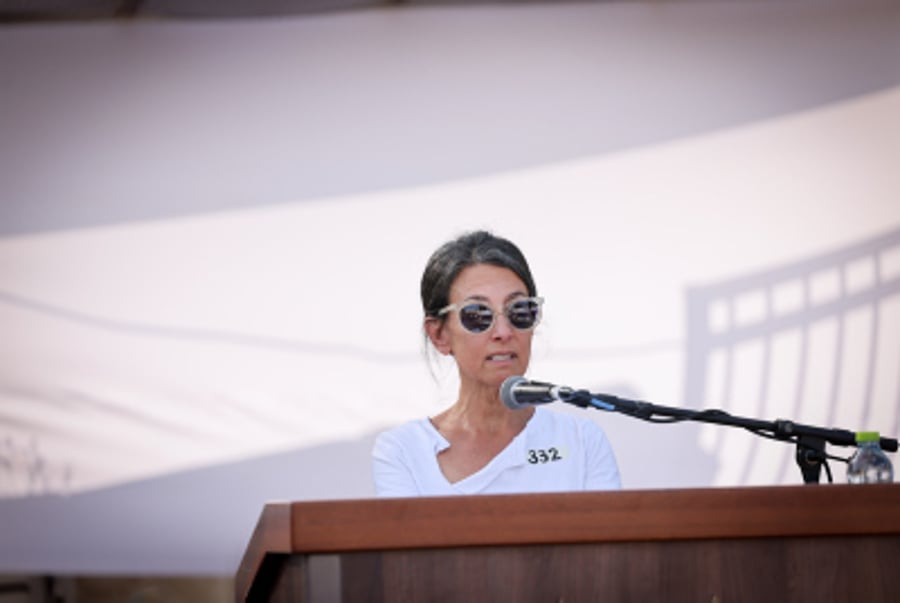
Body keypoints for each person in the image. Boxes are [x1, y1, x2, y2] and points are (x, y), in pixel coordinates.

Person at [372, 230, 621, 496]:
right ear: (439, 335)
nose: (503, 332)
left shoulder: (580, 442)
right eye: (478, 315)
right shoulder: (404, 451)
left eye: (519, 311)